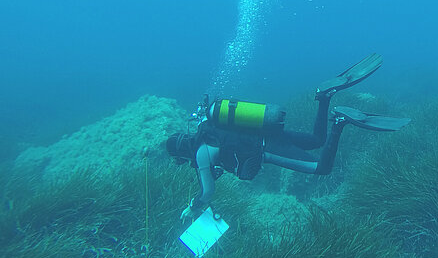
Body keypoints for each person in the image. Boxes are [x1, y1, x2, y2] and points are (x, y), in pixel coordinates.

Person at [166, 53, 409, 220]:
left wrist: (193, 208)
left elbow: (207, 192)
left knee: (321, 168)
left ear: (181, 153)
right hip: (269, 133)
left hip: (266, 148)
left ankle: (340, 122)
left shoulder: (199, 156)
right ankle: (324, 97)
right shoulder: (206, 126)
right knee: (317, 141)